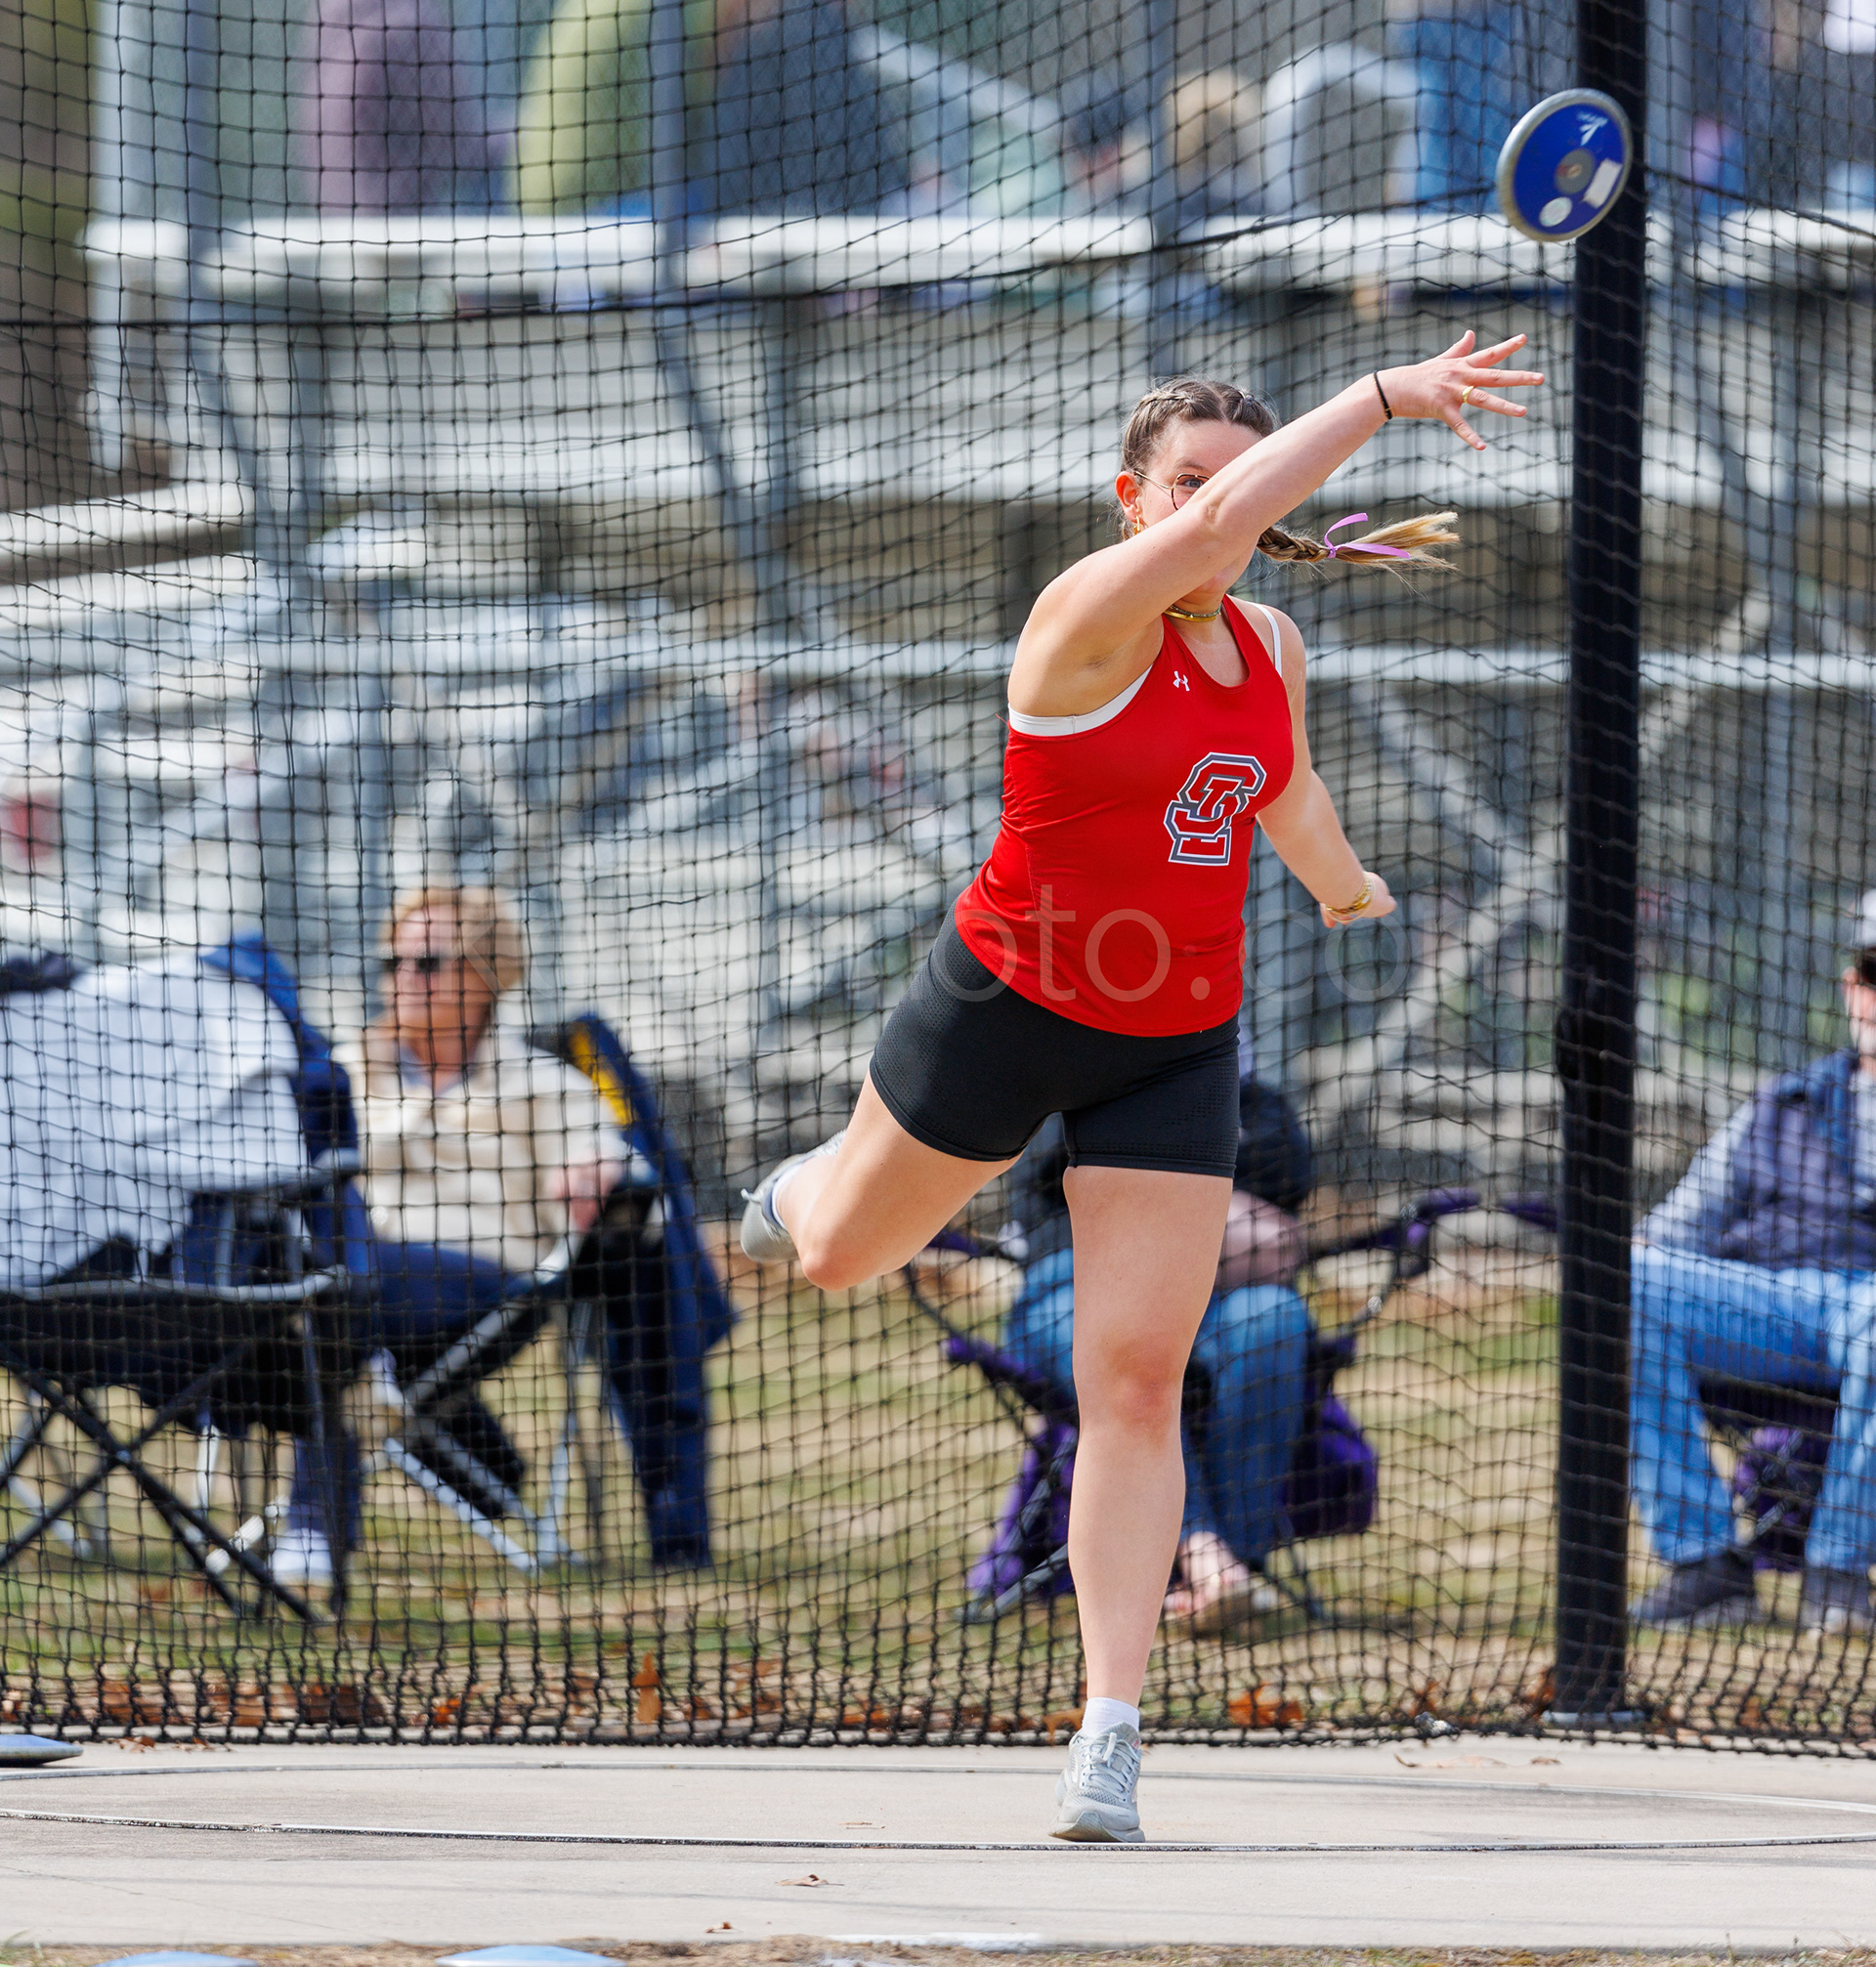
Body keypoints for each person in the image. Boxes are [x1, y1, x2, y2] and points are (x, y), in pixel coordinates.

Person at [737, 334, 1544, 1840]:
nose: (1223, 504)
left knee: (1133, 1378)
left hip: (1174, 1044)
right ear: (1135, 498)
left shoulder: (1272, 644)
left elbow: (1278, 782)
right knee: (844, 1254)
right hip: (1006, 1008)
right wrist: (1382, 397)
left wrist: (1344, 883)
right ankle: (800, 1189)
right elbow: (1226, 526)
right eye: (1191, 481)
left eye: (1239, 478)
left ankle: (1109, 1729)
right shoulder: (1082, 620)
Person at [274, 884, 724, 1582]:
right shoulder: (337, 1074)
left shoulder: (545, 1083)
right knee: (309, 1285)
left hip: (492, 1289)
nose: (402, 978)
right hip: (356, 1283)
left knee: (329, 1297)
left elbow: (636, 1192)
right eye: (392, 963)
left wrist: (599, 1175)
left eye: (427, 962)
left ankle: (312, 1528)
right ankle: (458, 1456)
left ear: (486, 977)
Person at [1629, 891, 1876, 1637]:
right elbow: (1669, 1232)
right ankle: (1705, 1564)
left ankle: (1838, 1572)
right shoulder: (1786, 1102)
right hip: (1768, 1302)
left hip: (1870, 1308)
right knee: (1624, 1285)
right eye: (1874, 973)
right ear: (1851, 986)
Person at [1001, 1083, 1312, 1636]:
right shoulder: (1068, 1079)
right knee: (1119, 1349)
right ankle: (1207, 1556)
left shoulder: (1249, 1100)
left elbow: (1287, 1186)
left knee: (1274, 1317)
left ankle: (1230, 1567)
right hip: (1074, 1283)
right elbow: (1060, 1171)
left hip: (1211, 1293)